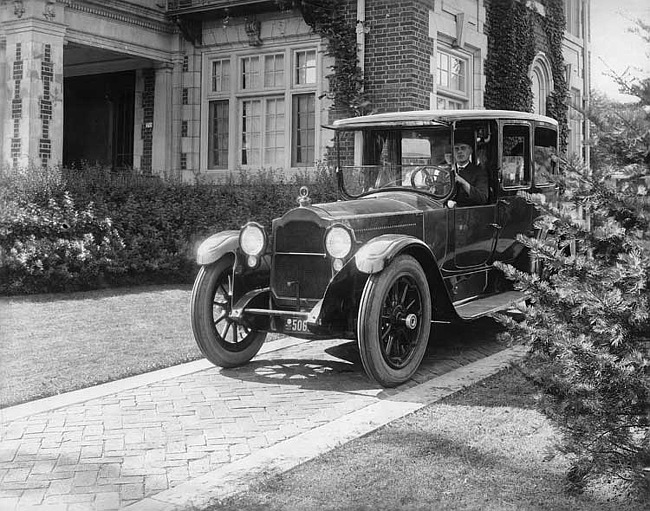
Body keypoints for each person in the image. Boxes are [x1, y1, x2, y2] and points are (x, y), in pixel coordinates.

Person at [448, 134, 489, 207]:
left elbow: (483, 198)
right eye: (456, 149)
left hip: (468, 213)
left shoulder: (479, 172)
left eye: (463, 148)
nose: (459, 152)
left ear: (470, 151)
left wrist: (463, 182)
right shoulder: (447, 172)